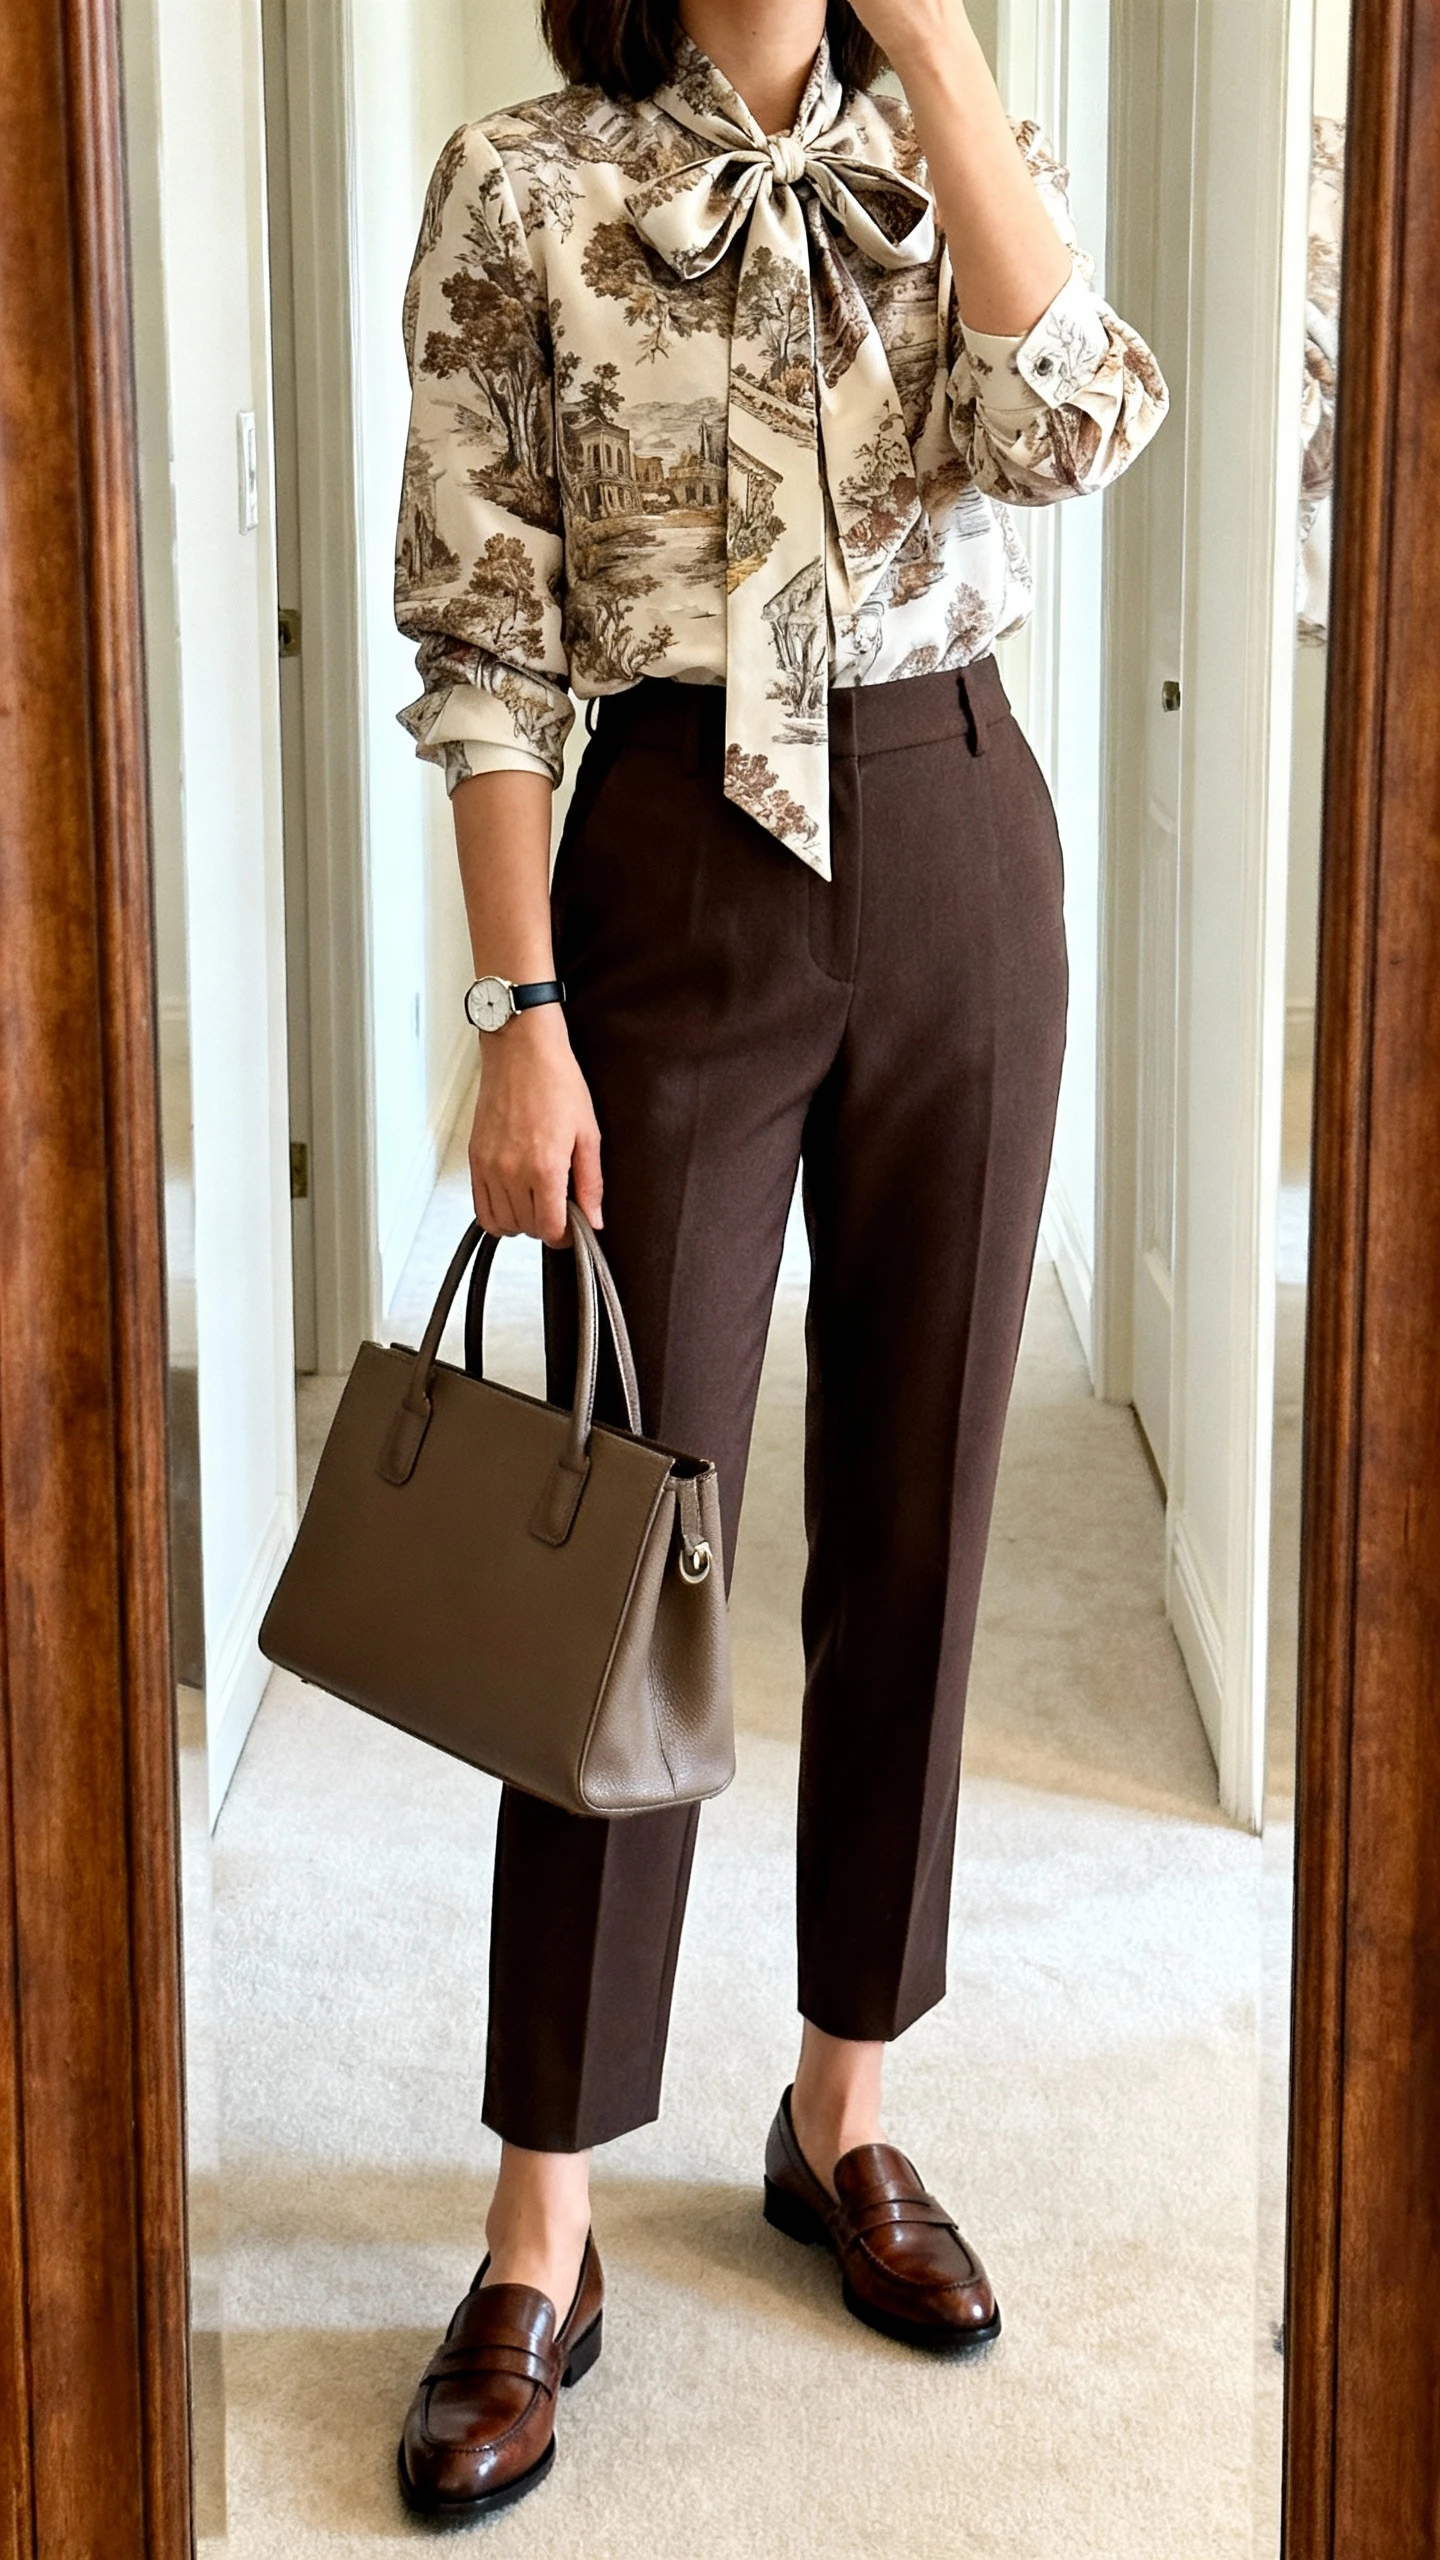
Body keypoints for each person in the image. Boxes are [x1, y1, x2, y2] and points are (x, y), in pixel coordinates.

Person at [392, 0, 1166, 2518]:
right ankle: (544, 2222)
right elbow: (481, 636)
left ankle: (844, 2109)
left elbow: (1086, 423)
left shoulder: (960, 137)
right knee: (627, 1546)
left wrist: (937, 58)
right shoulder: (521, 180)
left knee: (927, 1512)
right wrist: (522, 1013)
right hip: (664, 852)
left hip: (955, 827)